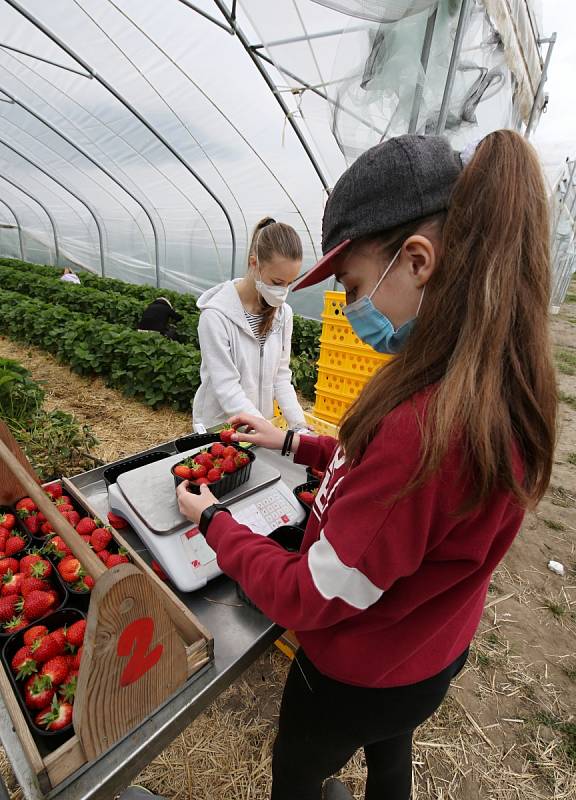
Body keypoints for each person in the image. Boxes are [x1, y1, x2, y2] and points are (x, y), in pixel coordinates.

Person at [176, 131, 556, 800]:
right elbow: (373, 469)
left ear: (417, 261)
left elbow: (310, 597)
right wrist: (293, 443)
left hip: (359, 667)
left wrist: (215, 524)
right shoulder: (486, 383)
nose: (350, 309)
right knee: (390, 752)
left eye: (352, 285)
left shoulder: (427, 429)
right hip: (424, 644)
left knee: (298, 770)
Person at [192, 217, 307, 430]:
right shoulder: (216, 316)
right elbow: (227, 387)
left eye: (289, 283)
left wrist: (299, 424)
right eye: (277, 282)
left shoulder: (284, 315)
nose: (283, 292)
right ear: (254, 263)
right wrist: (268, 431)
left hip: (260, 427)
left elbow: (281, 377)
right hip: (221, 427)